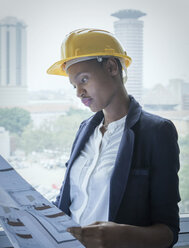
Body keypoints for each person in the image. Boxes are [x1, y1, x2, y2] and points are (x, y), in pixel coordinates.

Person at [47, 28, 180, 248]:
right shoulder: (84, 130)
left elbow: (168, 231)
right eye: (74, 85)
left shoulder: (157, 132)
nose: (79, 92)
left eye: (84, 80)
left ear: (111, 67)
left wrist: (123, 236)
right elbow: (69, 201)